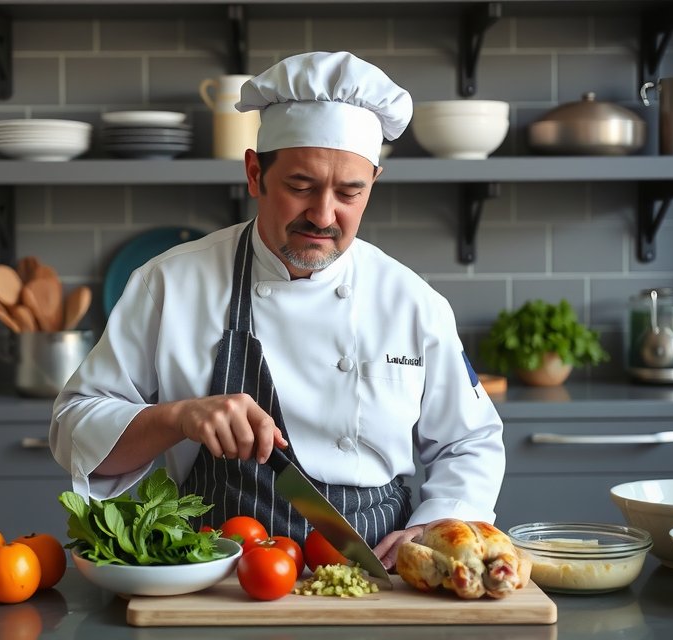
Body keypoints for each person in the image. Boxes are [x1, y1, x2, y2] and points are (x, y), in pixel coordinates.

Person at [50, 51, 505, 570]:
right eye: (300, 186)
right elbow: (74, 430)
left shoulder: (413, 303)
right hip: (217, 571)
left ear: (372, 185)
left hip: (378, 571)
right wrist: (177, 417)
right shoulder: (169, 283)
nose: (323, 215)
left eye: (349, 192)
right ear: (254, 173)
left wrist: (434, 525)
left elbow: (471, 442)